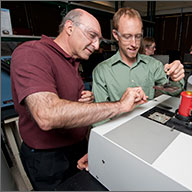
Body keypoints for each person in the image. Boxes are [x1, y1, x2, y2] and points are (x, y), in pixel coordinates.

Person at [10, 8, 147, 191]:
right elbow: (47, 114)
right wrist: (121, 105)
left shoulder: (71, 61)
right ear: (69, 27)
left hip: (77, 148)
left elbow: (67, 105)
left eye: (99, 39)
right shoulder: (32, 53)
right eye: (92, 36)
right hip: (49, 159)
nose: (97, 45)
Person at [77, 7, 185, 171]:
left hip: (151, 133)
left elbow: (173, 91)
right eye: (127, 37)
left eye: (138, 37)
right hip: (118, 137)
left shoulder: (153, 65)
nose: (134, 44)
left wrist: (177, 78)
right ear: (115, 35)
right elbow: (99, 119)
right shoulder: (102, 71)